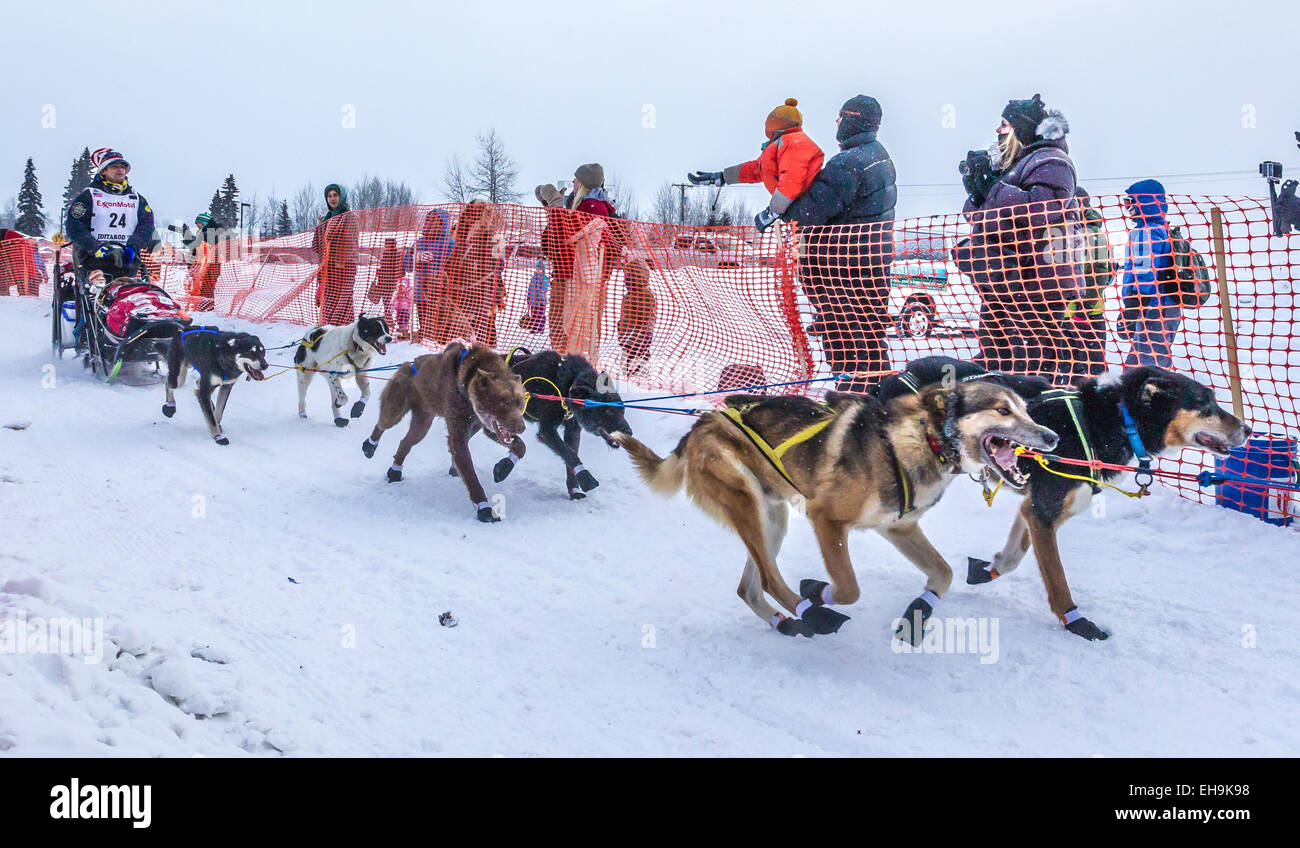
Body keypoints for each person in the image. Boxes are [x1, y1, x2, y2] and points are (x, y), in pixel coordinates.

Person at [958, 94, 1083, 378]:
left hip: (1035, 282)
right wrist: (977, 191)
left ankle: (1035, 410)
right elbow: (978, 218)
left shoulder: (1052, 161)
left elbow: (1038, 212)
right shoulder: (1015, 165)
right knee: (999, 355)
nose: (998, 131)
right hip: (1006, 278)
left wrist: (993, 188)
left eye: (1004, 125)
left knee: (1031, 364)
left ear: (1022, 129)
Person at [782, 95, 896, 390]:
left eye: (840, 117)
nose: (837, 123)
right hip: (870, 270)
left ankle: (855, 416)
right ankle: (876, 409)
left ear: (851, 120)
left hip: (842, 276)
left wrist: (783, 194)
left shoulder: (849, 162)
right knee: (870, 351)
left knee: (848, 356)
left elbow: (806, 213)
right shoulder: (878, 154)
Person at [688, 97, 823, 232]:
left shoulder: (796, 142)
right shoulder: (779, 144)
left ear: (776, 122)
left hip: (808, 210)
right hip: (796, 212)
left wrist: (772, 211)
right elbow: (756, 169)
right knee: (799, 248)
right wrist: (723, 176)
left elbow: (793, 179)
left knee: (807, 249)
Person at [64, 148, 155, 279]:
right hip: (93, 262)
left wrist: (133, 247)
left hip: (126, 262)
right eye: (114, 166)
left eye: (123, 167)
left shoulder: (137, 199)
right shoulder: (88, 196)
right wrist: (94, 247)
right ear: (103, 171)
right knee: (96, 297)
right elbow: (74, 225)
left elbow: (146, 226)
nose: (120, 170)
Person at [1119, 179, 1181, 368]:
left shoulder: (1145, 232)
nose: (1128, 207)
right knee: (1144, 363)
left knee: (1147, 368)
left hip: (1152, 309)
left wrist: (1133, 305)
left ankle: (1153, 396)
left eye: (1131, 202)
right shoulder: (1162, 229)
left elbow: (1145, 272)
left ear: (1145, 202)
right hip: (1165, 307)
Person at [562, 163, 620, 359]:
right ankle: (577, 356)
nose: (573, 182)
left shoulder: (592, 207)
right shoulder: (582, 204)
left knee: (581, 322)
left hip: (589, 273)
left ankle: (580, 360)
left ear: (585, 183)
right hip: (582, 271)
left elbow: (579, 238)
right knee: (577, 321)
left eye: (576, 179)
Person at [1060, 187, 1114, 375]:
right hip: (1068, 313)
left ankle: (1101, 401)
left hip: (1087, 313)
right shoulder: (1068, 230)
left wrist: (1085, 306)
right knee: (1071, 367)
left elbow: (1099, 271)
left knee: (1093, 366)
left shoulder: (1091, 233)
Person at [310, 183, 358, 325]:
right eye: (329, 196)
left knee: (343, 301)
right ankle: (329, 331)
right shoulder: (328, 217)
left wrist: (339, 258)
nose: (332, 199)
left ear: (341, 196)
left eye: (335, 195)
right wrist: (320, 228)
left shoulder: (349, 217)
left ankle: (343, 333)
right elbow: (319, 245)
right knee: (329, 300)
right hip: (329, 268)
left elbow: (351, 241)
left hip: (345, 266)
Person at [406, 208, 454, 343]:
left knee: (442, 334)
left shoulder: (449, 243)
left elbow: (457, 269)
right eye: (428, 219)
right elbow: (406, 265)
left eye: (434, 220)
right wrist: (416, 257)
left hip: (442, 296)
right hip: (421, 294)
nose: (429, 223)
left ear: (443, 224)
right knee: (427, 334)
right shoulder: (419, 242)